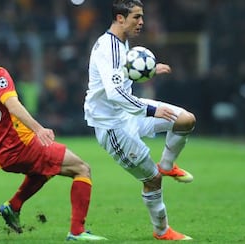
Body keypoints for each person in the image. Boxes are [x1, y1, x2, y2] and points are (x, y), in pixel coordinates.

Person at [0, 26, 107, 241]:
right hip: (22, 144)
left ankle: (13, 206)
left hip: (1, 155)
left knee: (44, 170)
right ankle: (77, 232)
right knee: (82, 169)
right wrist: (39, 129)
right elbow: (13, 106)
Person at [84, 0, 196, 241]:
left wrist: (150, 70)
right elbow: (114, 93)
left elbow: (121, 75)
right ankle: (162, 231)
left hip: (130, 112)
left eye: (142, 17)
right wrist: (149, 110)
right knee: (152, 180)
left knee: (185, 120)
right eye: (136, 17)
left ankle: (167, 165)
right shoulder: (109, 47)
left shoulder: (122, 43)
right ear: (120, 18)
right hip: (113, 127)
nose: (142, 22)